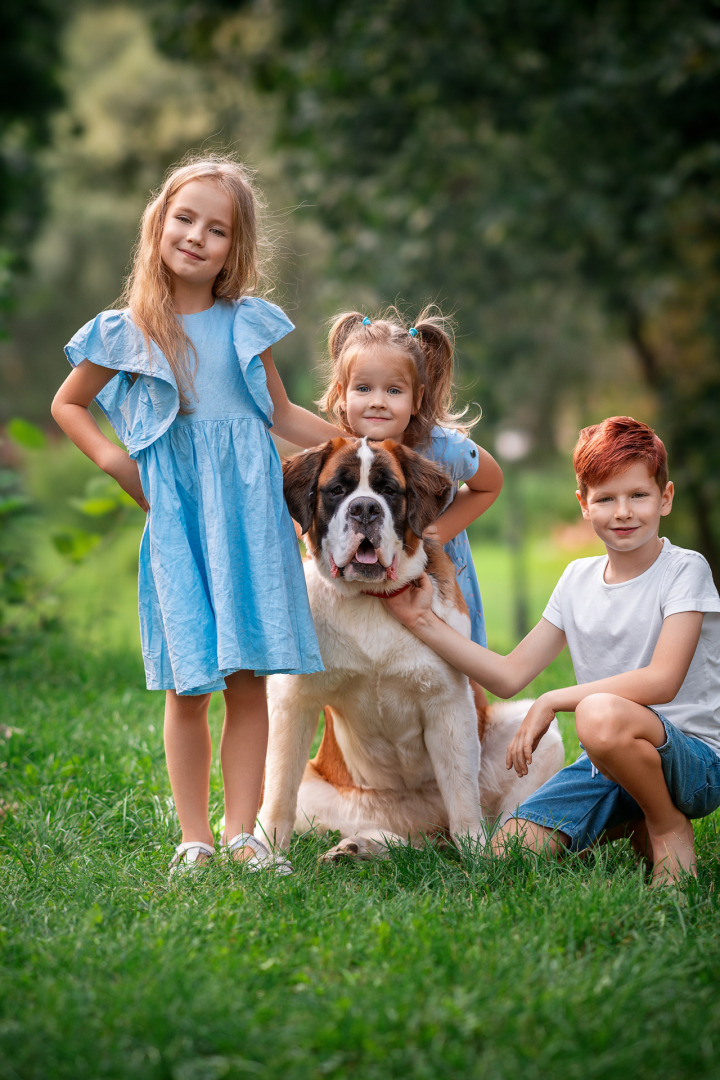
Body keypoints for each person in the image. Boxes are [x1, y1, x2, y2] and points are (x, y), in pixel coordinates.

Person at [51, 153, 342, 877]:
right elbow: (68, 404)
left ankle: (242, 833)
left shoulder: (245, 326)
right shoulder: (124, 331)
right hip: (181, 525)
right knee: (189, 683)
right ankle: (194, 839)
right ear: (158, 225)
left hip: (247, 520)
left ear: (233, 250)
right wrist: (119, 463)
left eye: (216, 229)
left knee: (246, 678)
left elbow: (278, 413)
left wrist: (353, 438)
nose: (195, 236)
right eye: (185, 219)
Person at [382, 416, 720, 886]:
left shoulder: (685, 570)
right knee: (509, 852)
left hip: (694, 763)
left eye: (638, 496)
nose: (623, 512)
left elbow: (663, 681)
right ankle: (634, 820)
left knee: (598, 713)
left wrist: (554, 698)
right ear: (584, 504)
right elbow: (506, 676)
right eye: (606, 498)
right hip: (608, 764)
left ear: (665, 497)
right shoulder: (577, 580)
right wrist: (422, 619)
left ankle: (667, 824)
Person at [318, 308, 503, 713]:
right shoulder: (341, 454)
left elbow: (491, 482)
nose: (378, 402)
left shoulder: (443, 447)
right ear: (341, 394)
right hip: (364, 578)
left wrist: (437, 532)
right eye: (363, 388)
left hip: (436, 577)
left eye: (394, 391)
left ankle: (475, 755)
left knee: (458, 682)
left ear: (417, 397)